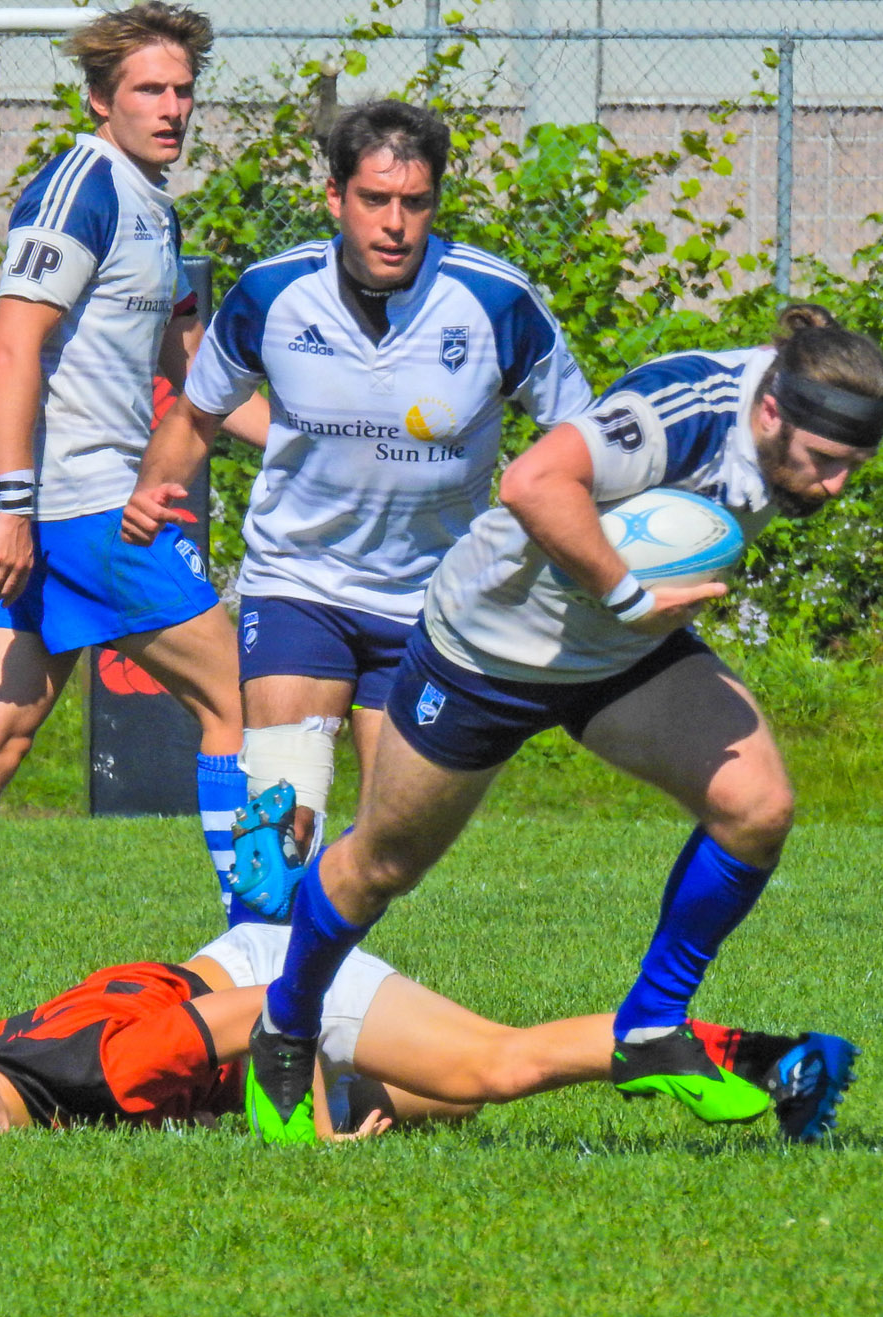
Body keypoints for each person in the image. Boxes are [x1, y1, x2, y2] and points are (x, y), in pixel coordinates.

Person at [238, 305, 883, 1144]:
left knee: (757, 807)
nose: (835, 486)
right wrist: (627, 596)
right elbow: (532, 482)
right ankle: (285, 1027)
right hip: (486, 651)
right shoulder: (683, 411)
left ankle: (653, 1024)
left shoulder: (792, 418)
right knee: (380, 865)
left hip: (617, 652)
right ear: (771, 413)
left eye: (854, 467)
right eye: (826, 462)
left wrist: (627, 612)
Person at [0, 3, 267, 1014]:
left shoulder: (151, 201)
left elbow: (196, 374)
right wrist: (14, 508)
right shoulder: (80, 186)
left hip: (50, 510)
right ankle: (263, 954)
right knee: (244, 703)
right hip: (76, 508)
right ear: (100, 98)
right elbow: (10, 346)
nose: (172, 108)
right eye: (150, 89)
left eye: (184, 90)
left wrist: (315, 444)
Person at [124, 99, 592, 916]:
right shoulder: (274, 294)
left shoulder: (495, 304)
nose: (394, 223)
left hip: (431, 604)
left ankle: (318, 1004)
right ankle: (257, 1003)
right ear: (336, 197)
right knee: (277, 827)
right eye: (375, 200)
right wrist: (149, 498)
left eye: (415, 203)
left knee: (385, 852)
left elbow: (582, 441)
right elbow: (196, 416)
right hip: (299, 582)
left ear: (436, 205)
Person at [0, 921, 855, 1140]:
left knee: (492, 1066)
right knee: (451, 1107)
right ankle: (751, 1069)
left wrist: (308, 1129)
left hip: (271, 983)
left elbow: (265, 1016)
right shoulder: (12, 1072)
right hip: (235, 1011)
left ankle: (776, 1063)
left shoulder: (115, 1064)